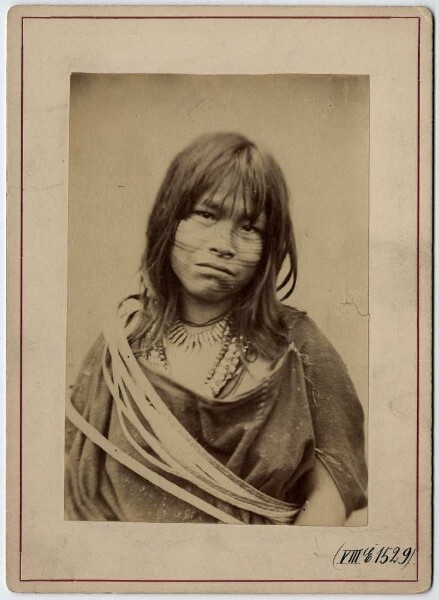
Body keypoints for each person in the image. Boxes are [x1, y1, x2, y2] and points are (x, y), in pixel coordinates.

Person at [65, 132, 367, 525]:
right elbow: (72, 480)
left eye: (249, 228)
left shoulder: (297, 345)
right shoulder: (121, 344)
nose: (224, 244)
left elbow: (333, 489)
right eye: (206, 215)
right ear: (169, 221)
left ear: (270, 244)